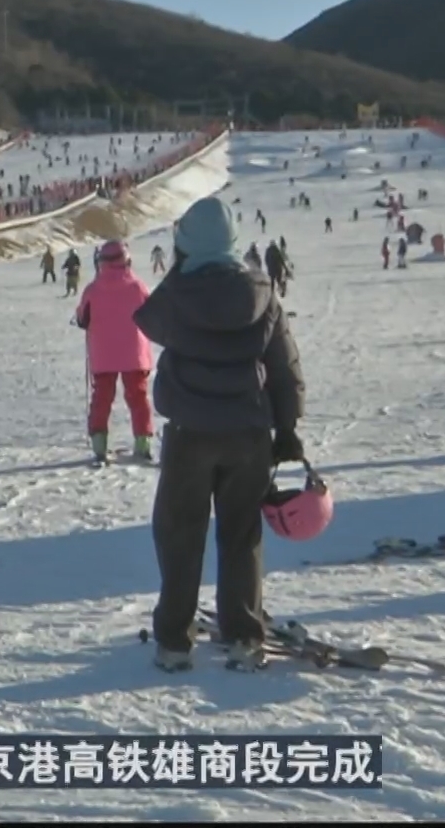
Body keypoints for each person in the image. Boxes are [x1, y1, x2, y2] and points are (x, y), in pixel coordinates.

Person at [133, 196, 304, 673]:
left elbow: (148, 319)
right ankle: (245, 636)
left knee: (179, 534)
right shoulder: (263, 291)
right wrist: (287, 427)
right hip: (248, 432)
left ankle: (173, 641)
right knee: (241, 535)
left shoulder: (177, 294)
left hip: (190, 433)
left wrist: (181, 268)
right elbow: (284, 364)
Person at [75, 240, 154, 462]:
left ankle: (100, 445)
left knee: (102, 398)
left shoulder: (93, 289)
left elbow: (83, 318)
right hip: (134, 352)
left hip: (103, 353)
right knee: (138, 398)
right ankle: (143, 442)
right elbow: (150, 313)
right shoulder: (138, 287)